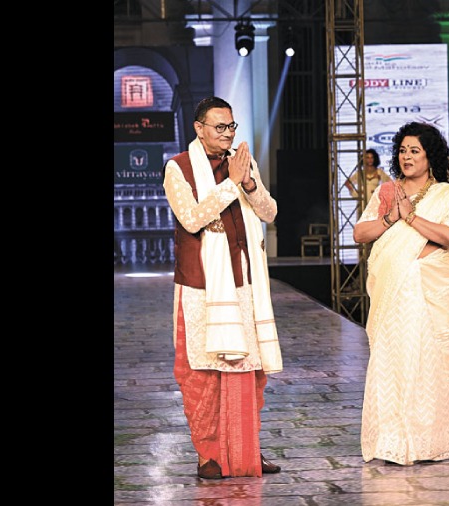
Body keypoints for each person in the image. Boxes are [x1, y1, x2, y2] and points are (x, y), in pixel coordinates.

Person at [352, 122, 449, 466]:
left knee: (431, 365)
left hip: (433, 291)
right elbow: (361, 232)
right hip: (395, 292)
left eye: (414, 151)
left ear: (430, 156)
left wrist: (412, 217)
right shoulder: (387, 191)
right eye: (402, 150)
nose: (406, 157)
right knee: (392, 364)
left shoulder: (448, 194)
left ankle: (429, 443)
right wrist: (392, 218)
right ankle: (391, 442)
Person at [162, 96, 283, 479]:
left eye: (231, 127)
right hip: (202, 288)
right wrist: (232, 184)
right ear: (199, 129)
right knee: (203, 376)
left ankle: (248, 450)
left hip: (245, 283)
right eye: (220, 127)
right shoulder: (177, 168)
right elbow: (193, 218)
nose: (228, 134)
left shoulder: (241, 165)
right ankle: (208, 455)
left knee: (250, 370)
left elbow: (269, 212)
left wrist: (247, 181)